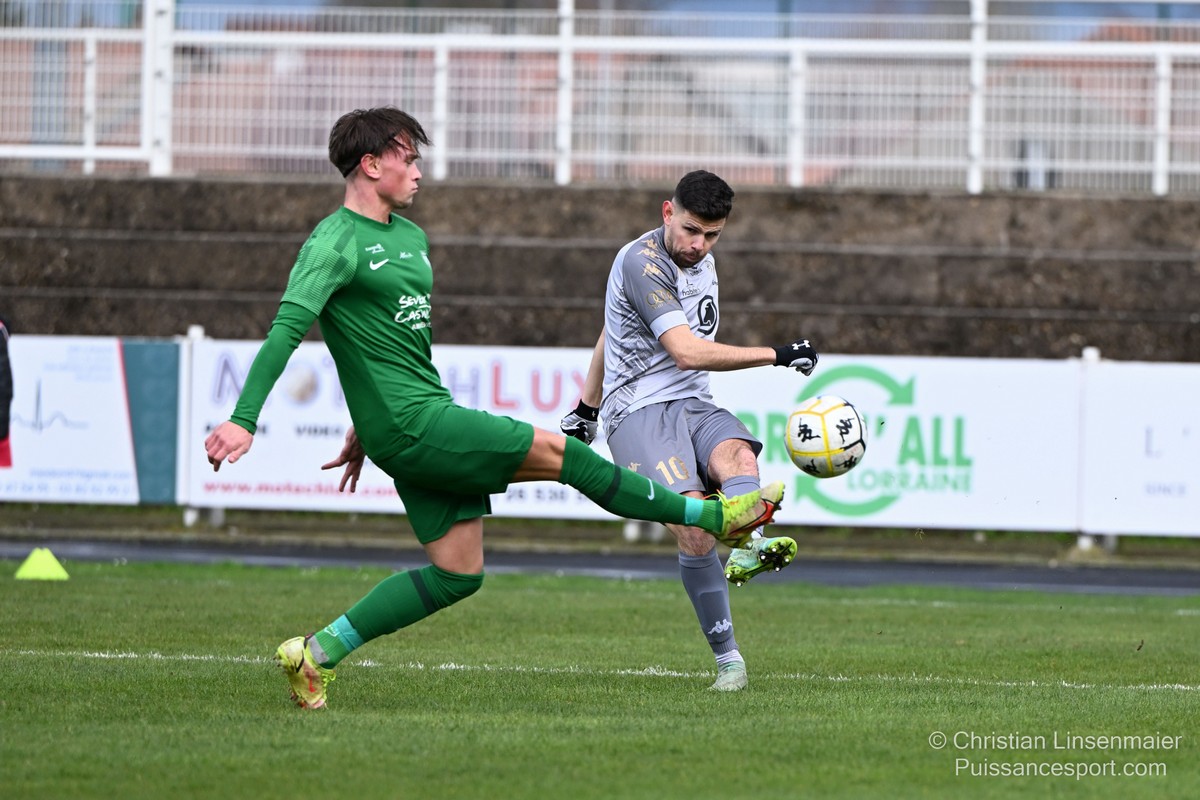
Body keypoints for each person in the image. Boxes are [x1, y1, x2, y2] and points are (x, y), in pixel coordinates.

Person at [202, 108, 784, 710]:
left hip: (406, 418)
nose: (419, 171)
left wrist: (365, 423)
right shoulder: (334, 241)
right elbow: (287, 331)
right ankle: (715, 517)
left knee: (457, 573)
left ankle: (315, 654)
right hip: (413, 423)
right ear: (371, 165)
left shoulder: (411, 240)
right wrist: (244, 419)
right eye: (409, 159)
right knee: (563, 455)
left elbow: (389, 346)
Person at [559, 170, 818, 691]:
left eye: (712, 235)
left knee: (740, 458)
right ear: (667, 213)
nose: (699, 245)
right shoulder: (642, 262)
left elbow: (612, 328)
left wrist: (583, 406)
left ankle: (748, 543)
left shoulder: (701, 261)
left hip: (694, 401)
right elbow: (685, 351)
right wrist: (777, 354)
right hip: (637, 410)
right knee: (696, 528)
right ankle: (729, 661)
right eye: (691, 230)